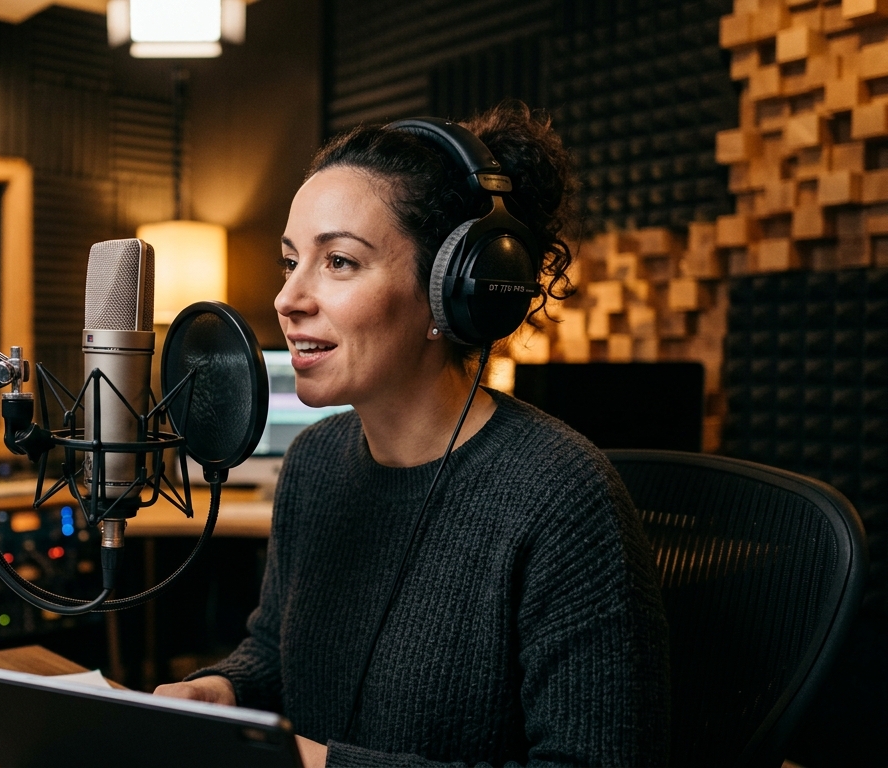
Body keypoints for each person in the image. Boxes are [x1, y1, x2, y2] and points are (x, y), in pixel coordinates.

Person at [154, 102, 671, 767]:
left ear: (451, 292)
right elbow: (274, 654)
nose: (288, 299)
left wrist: (318, 764)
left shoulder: (563, 497)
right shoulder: (314, 463)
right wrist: (220, 690)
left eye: (338, 262)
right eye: (291, 262)